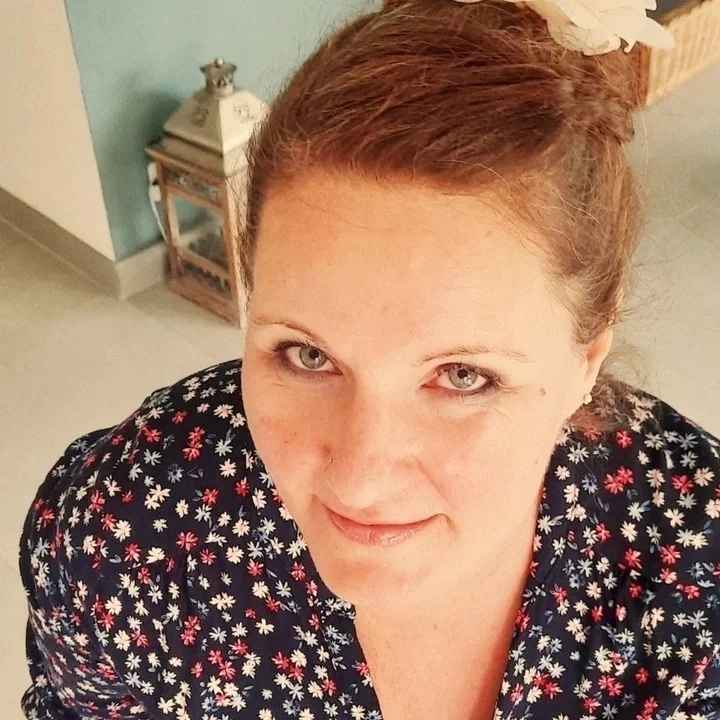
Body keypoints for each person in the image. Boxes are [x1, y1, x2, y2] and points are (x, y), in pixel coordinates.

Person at [18, 0, 720, 718]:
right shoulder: (132, 527)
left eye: (463, 376)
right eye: (307, 354)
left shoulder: (697, 568)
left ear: (588, 354)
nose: (359, 480)